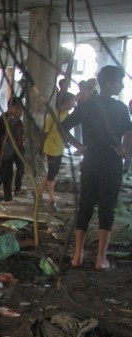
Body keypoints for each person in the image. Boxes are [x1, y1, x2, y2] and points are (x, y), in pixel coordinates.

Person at [61, 65, 132, 271]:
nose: (121, 85)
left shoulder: (87, 106)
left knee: (85, 206)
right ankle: (101, 259)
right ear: (110, 84)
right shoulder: (119, 108)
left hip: (90, 161)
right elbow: (129, 130)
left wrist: (79, 146)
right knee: (106, 210)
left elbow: (62, 126)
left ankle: (77, 256)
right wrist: (123, 149)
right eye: (119, 82)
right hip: (111, 163)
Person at [38, 92, 75, 209]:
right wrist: (40, 145)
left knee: (54, 172)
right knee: (51, 173)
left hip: (59, 147)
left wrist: (66, 142)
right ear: (65, 102)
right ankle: (51, 198)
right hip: (50, 147)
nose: (73, 104)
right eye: (72, 101)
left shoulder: (67, 115)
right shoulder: (52, 116)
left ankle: (38, 191)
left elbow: (65, 131)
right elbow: (45, 132)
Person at [0, 97, 25, 203]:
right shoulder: (4, 119)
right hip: (3, 152)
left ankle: (8, 198)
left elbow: (19, 137)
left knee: (8, 175)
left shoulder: (17, 121)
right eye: (16, 108)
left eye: (20, 109)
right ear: (10, 107)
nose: (19, 111)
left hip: (11, 153)